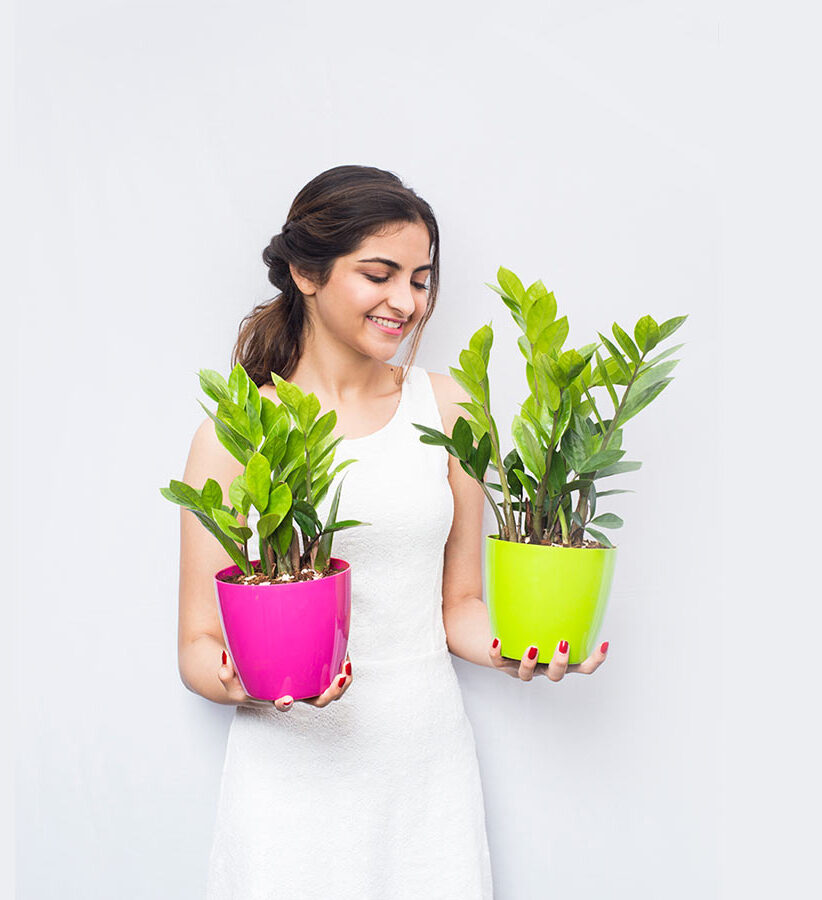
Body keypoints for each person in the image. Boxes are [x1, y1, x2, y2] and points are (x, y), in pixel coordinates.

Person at [176, 164, 610, 898]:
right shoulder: (236, 432)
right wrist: (248, 682)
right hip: (290, 779)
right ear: (305, 274)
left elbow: (459, 605)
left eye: (420, 279)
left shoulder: (448, 410)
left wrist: (516, 646)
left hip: (422, 770)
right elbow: (197, 646)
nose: (405, 302)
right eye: (379, 274)